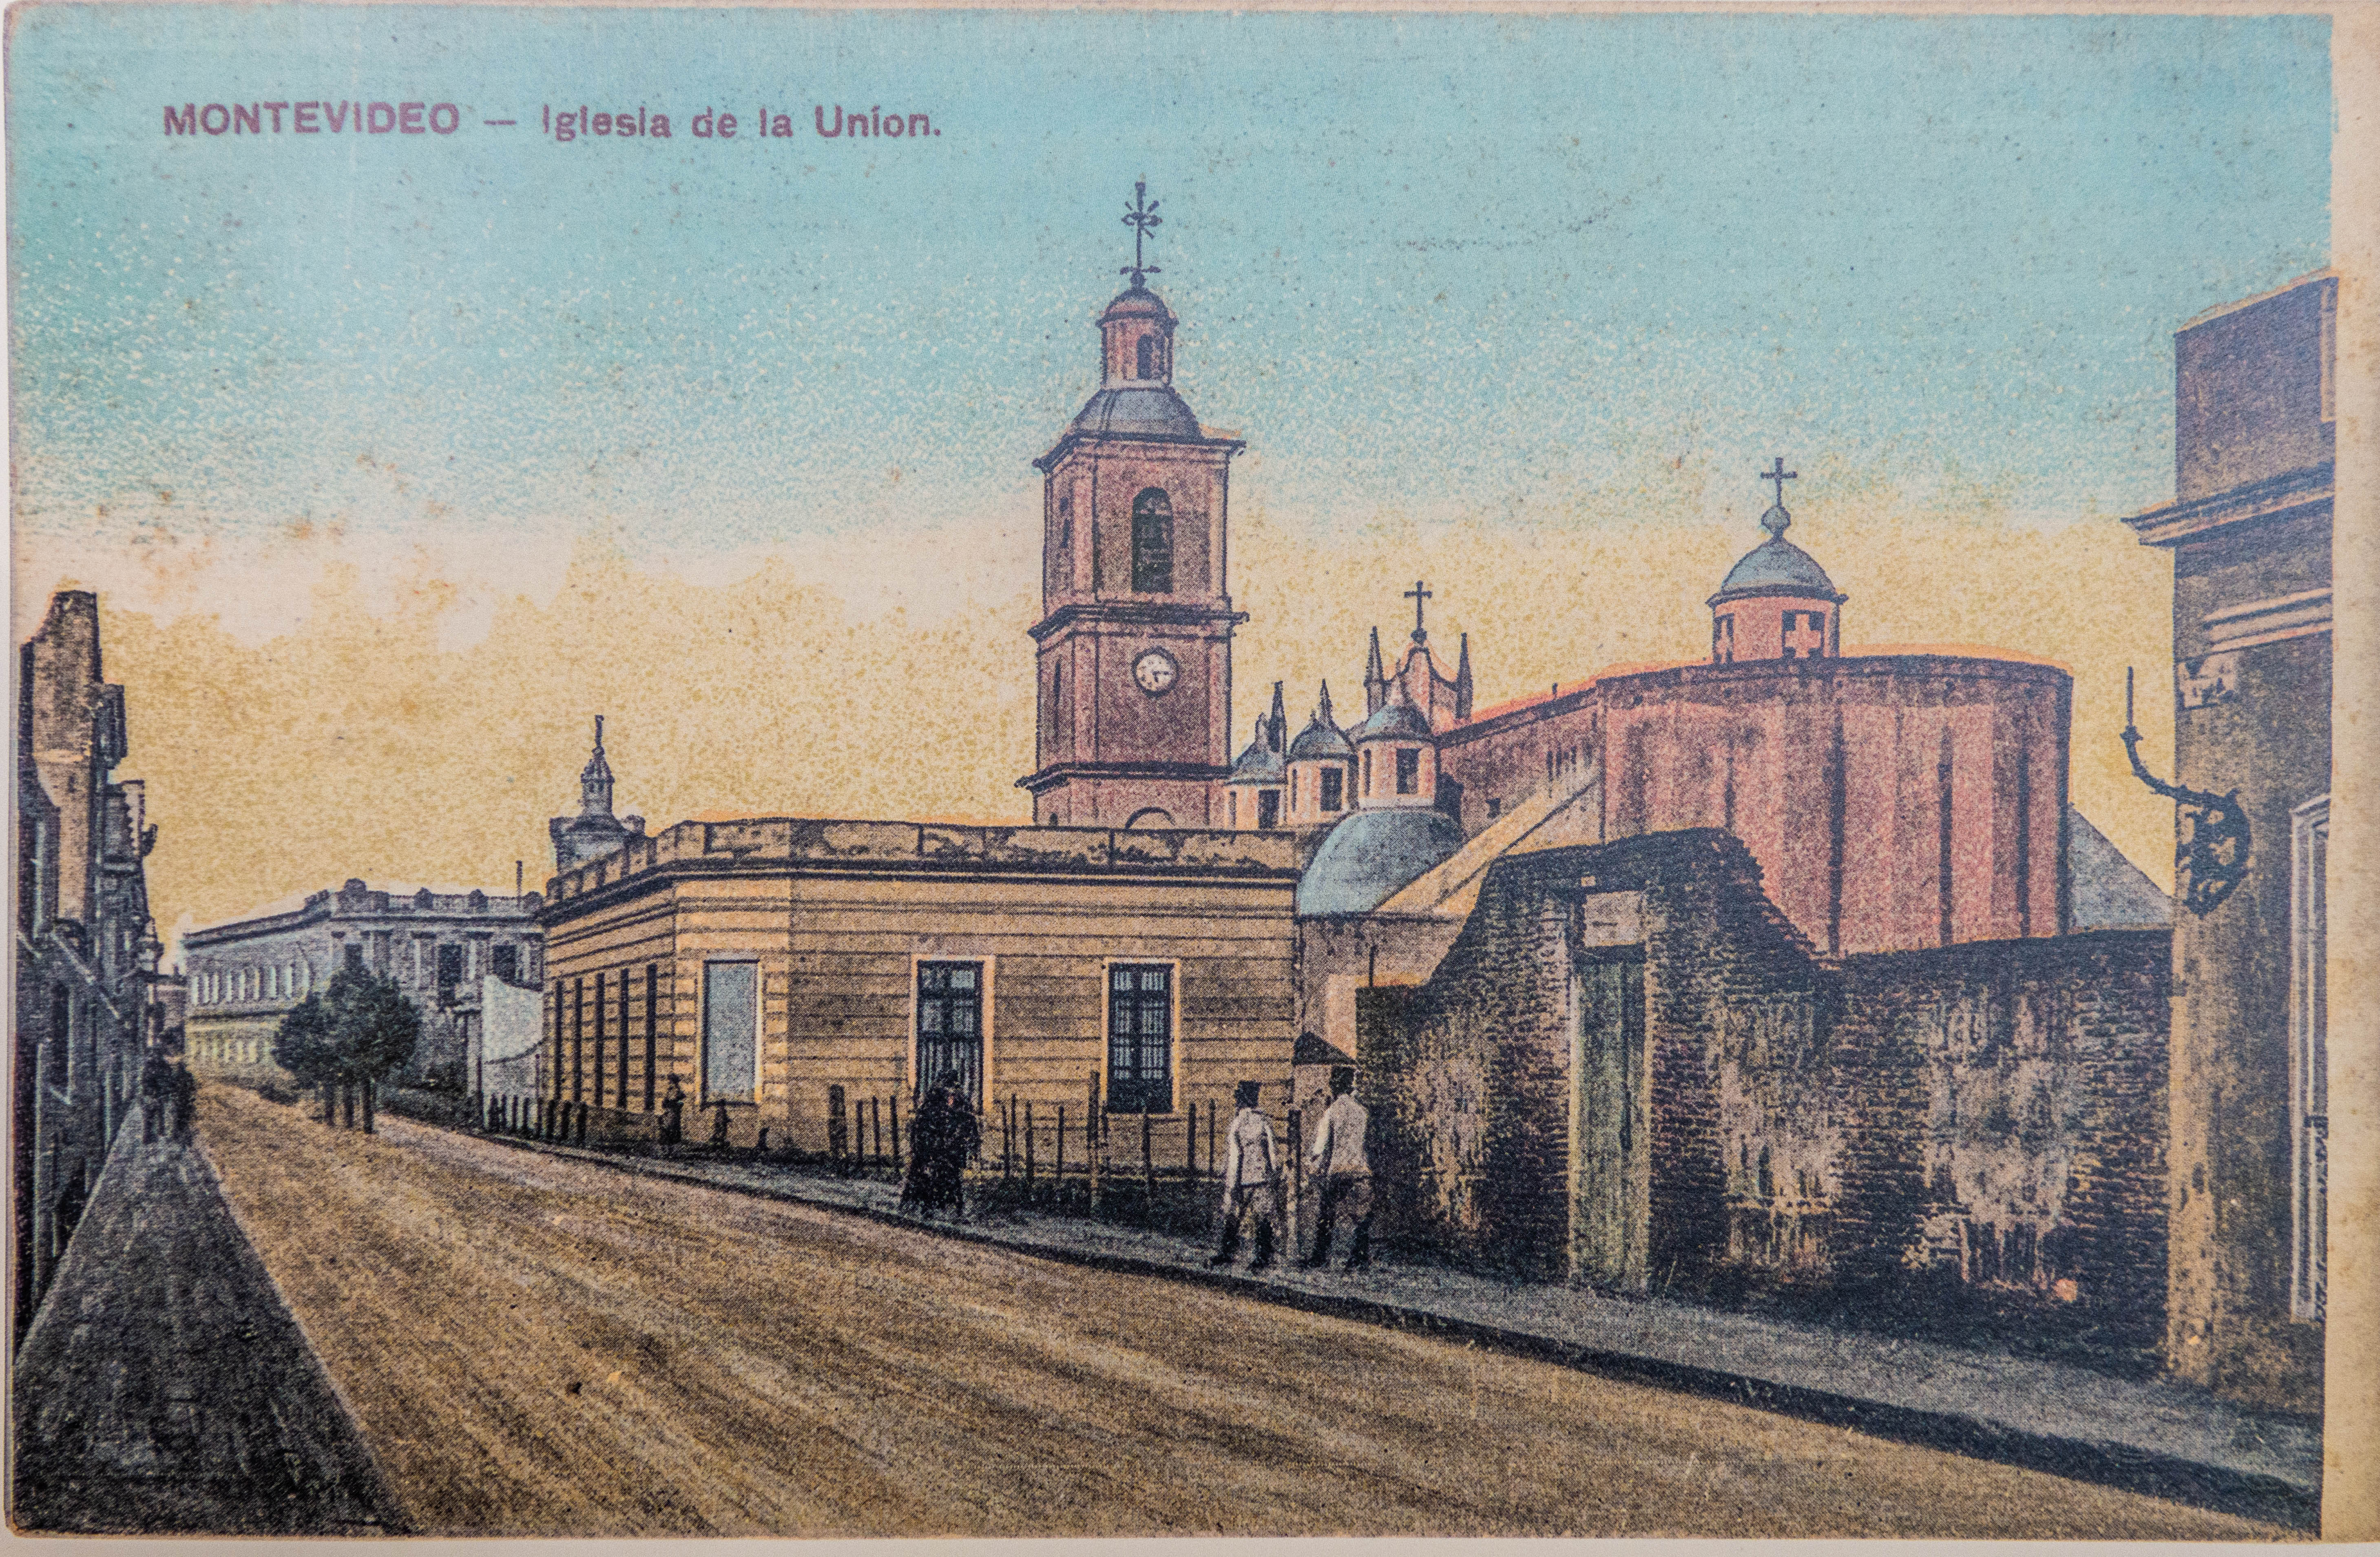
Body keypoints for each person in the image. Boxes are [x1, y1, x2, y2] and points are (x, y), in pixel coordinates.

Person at [1301, 1065, 1374, 1271]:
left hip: (1339, 1170)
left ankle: (1320, 1257)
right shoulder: (1362, 1112)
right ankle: (1359, 1259)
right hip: (1361, 1170)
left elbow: (1320, 1147)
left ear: (1335, 1087)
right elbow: (1368, 1143)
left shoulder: (1331, 1112)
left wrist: (1312, 1168)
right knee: (1362, 1214)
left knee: (1326, 1213)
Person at [1211, 1080, 1281, 1271]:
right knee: (1263, 1216)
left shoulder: (1237, 1124)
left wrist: (1232, 1184)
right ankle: (1263, 1256)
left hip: (1242, 1179)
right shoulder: (1264, 1121)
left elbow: (1235, 1158)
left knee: (1233, 1214)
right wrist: (1274, 1173)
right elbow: (1273, 1153)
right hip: (1263, 1177)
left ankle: (1227, 1253)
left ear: (1240, 1101)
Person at [658, 1076, 686, 1146]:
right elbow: (665, 1101)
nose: (670, 1083)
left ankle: (670, 1144)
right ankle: (667, 1144)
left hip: (674, 1112)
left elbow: (681, 1099)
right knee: (667, 1128)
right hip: (670, 1111)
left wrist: (676, 1103)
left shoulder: (677, 1090)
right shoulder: (670, 1089)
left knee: (672, 1128)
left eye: (671, 1081)